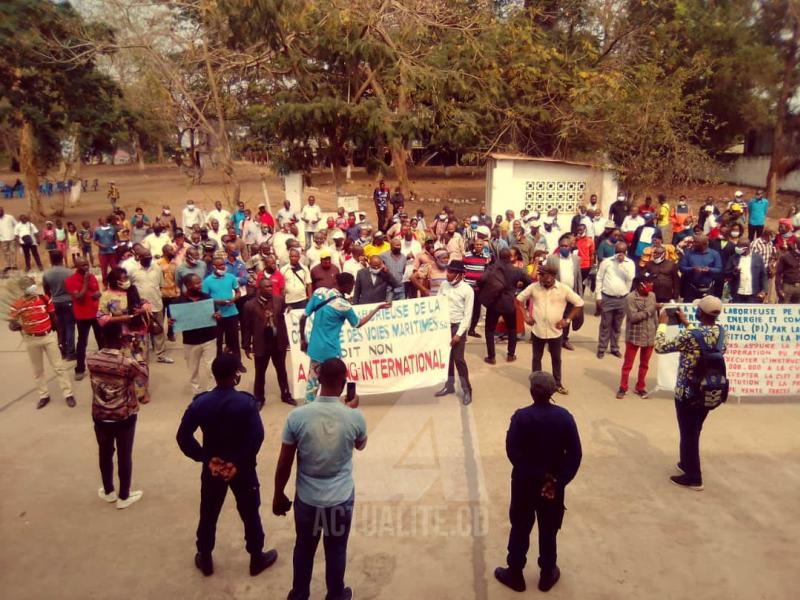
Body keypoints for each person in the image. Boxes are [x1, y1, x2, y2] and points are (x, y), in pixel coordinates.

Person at [176, 354, 278, 577]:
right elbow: (256, 437)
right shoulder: (246, 403)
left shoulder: (200, 403)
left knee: (209, 513)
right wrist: (237, 464)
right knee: (250, 513)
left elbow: (183, 437)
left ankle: (205, 557)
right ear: (235, 376)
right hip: (242, 470)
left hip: (213, 469)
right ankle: (256, 558)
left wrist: (206, 458)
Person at [273, 358, 366, 600]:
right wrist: (350, 411)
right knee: (335, 550)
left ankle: (300, 594)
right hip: (339, 499)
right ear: (344, 383)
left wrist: (277, 494)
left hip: (308, 499)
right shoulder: (354, 418)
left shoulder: (298, 417)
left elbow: (285, 462)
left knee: (304, 547)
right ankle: (335, 594)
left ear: (318, 379)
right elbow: (361, 444)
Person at [494, 371, 582, 594]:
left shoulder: (521, 417)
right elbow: (575, 454)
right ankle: (547, 574)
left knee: (520, 527)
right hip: (552, 488)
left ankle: (515, 573)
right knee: (549, 529)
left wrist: (535, 475)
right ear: (552, 392)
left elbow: (513, 451)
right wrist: (558, 480)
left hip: (524, 484)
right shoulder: (565, 417)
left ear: (532, 392)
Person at [654, 296, 726, 490]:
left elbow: (660, 347)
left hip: (687, 391)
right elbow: (702, 339)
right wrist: (686, 324)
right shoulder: (721, 332)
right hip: (708, 390)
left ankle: (694, 477)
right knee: (694, 429)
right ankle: (686, 462)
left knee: (688, 433)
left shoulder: (692, 335)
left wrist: (662, 325)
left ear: (700, 313)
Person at [299, 273, 390, 402]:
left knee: (312, 384)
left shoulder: (319, 293)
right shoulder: (344, 305)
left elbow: (303, 317)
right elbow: (358, 324)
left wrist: (303, 340)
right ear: (346, 285)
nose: (352, 288)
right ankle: (332, 408)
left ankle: (308, 410)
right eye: (352, 285)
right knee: (334, 384)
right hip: (331, 353)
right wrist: (376, 309)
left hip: (315, 349)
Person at [87, 322, 148, 509]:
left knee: (105, 453)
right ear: (122, 339)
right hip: (124, 415)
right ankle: (124, 496)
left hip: (100, 414)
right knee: (124, 455)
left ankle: (108, 491)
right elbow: (143, 376)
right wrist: (137, 351)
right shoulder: (127, 363)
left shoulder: (91, 359)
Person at [8, 276, 76, 408]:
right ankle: (43, 395)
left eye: (33, 284)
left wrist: (60, 338)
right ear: (23, 289)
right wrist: (14, 326)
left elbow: (54, 318)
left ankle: (68, 394)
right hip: (31, 339)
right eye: (29, 285)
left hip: (48, 337)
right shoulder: (17, 304)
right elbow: (12, 323)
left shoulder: (44, 298)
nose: (33, 287)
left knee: (59, 367)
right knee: (37, 370)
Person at [515, 264, 583, 394]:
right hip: (538, 330)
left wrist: (567, 320)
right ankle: (536, 384)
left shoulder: (563, 289)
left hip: (556, 332)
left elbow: (579, 303)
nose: (539, 278)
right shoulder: (534, 287)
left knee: (556, 358)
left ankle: (557, 383)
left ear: (551, 277)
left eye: (542, 275)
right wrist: (526, 316)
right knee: (536, 357)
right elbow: (519, 299)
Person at [242, 278, 294, 407]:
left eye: (271, 286)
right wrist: (246, 346)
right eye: (267, 287)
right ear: (260, 289)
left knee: (282, 370)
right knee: (260, 373)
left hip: (278, 342)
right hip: (261, 343)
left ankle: (286, 394)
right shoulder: (250, 305)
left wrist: (290, 310)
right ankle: (259, 398)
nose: (270, 289)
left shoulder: (279, 300)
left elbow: (286, 315)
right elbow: (246, 327)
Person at [478, 248, 533, 363]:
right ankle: (510, 355)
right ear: (510, 257)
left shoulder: (492, 267)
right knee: (512, 329)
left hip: (493, 303)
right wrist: (520, 287)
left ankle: (491, 357)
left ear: (499, 256)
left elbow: (481, 279)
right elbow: (529, 281)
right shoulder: (517, 270)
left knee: (489, 330)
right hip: (509, 303)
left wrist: (486, 288)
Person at [171, 274, 219, 395]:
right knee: (193, 369)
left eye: (200, 282)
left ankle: (212, 392)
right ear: (188, 285)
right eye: (196, 283)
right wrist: (172, 322)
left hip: (209, 338)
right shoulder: (178, 302)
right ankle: (196, 393)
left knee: (211, 368)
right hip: (190, 341)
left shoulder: (207, 298)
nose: (200, 285)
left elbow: (215, 313)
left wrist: (216, 316)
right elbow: (173, 320)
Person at [434, 260, 474, 405]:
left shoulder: (467, 290)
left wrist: (458, 334)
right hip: (444, 326)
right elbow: (437, 303)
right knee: (447, 359)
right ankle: (449, 386)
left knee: (458, 359)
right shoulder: (444, 285)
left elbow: (468, 315)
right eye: (448, 271)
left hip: (458, 327)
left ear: (459, 275)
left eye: (451, 272)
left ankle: (467, 389)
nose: (448, 274)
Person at [127, 249, 173, 364]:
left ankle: (160, 355)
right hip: (141, 308)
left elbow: (161, 285)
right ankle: (141, 358)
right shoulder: (132, 270)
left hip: (156, 304)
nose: (148, 258)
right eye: (145, 256)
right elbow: (129, 289)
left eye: (149, 256)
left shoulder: (157, 268)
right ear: (138, 257)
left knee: (158, 330)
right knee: (142, 333)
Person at [617, 276, 658, 399]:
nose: (650, 285)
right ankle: (623, 387)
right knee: (628, 364)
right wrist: (649, 310)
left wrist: (657, 331)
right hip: (634, 335)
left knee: (645, 364)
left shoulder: (652, 296)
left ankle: (640, 387)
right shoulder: (630, 298)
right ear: (640, 285)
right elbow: (633, 317)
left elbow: (655, 317)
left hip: (649, 335)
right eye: (648, 283)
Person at [594, 242, 636, 359]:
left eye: (622, 252)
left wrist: (622, 264)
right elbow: (599, 278)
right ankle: (601, 348)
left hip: (622, 298)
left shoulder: (630, 263)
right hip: (607, 297)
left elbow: (630, 278)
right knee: (605, 325)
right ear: (615, 251)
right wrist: (598, 296)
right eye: (618, 251)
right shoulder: (606, 262)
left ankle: (614, 348)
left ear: (626, 251)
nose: (620, 254)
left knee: (617, 326)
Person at [203, 256, 244, 371]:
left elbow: (238, 292)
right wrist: (218, 302)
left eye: (223, 265)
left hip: (232, 313)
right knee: (218, 342)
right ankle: (219, 366)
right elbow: (205, 299)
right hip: (217, 315)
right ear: (213, 267)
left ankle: (237, 364)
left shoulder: (231, 277)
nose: (222, 267)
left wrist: (234, 299)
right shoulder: (207, 281)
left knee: (234, 341)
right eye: (220, 265)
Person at [42, 250, 76, 360]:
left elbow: (46, 293)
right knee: (70, 327)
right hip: (69, 302)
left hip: (55, 303)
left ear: (51, 260)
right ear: (62, 258)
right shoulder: (70, 272)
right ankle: (71, 353)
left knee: (59, 328)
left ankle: (63, 351)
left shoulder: (47, 274)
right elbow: (75, 289)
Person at [551, 236, 583, 351]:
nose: (564, 248)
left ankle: (564, 340)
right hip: (556, 293)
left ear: (571, 247)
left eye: (566, 246)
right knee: (555, 317)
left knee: (567, 318)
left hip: (570, 294)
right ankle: (554, 342)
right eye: (562, 246)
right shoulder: (552, 259)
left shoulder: (576, 259)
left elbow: (578, 278)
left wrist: (579, 295)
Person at [679, 234, 722, 301]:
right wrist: (692, 269)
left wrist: (709, 269)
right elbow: (682, 267)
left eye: (696, 242)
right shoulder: (688, 254)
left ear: (705, 244)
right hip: (691, 288)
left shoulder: (714, 254)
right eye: (694, 242)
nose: (693, 244)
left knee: (707, 308)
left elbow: (719, 269)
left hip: (709, 288)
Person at [93, 217, 118, 287]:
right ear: (100, 222)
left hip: (112, 252)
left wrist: (116, 244)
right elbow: (94, 241)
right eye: (102, 220)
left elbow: (115, 238)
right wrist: (100, 245)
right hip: (102, 253)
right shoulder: (97, 230)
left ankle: (115, 283)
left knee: (114, 268)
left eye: (105, 220)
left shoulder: (112, 228)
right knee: (104, 269)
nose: (104, 221)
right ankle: (105, 284)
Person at [776, 237, 800, 303]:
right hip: (787, 287)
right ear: (796, 245)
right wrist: (779, 289)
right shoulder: (785, 257)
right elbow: (778, 274)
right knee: (783, 310)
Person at [0, 207, 18, 272]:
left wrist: (16, 234)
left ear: (3, 211)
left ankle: (14, 265)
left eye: (1, 211)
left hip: (11, 237)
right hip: (2, 239)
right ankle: (7, 266)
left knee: (13, 252)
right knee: (5, 253)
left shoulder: (9, 217)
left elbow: (16, 225)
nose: (0, 212)